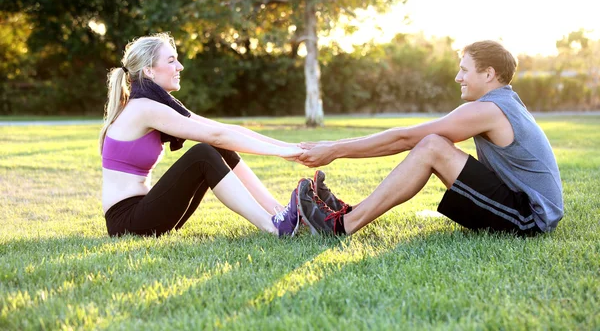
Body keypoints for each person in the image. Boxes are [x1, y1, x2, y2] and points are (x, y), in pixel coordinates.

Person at [295, 40, 563, 236]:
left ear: (489, 74)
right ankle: (349, 213)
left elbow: (404, 139)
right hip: (521, 204)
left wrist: (335, 149)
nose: (458, 77)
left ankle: (342, 226)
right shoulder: (502, 102)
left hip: (531, 218)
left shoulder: (490, 109)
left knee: (432, 146)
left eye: (465, 70)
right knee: (434, 144)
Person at [99, 33, 303, 238]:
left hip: (144, 213)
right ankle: (274, 226)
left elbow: (223, 130)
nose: (180, 67)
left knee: (215, 146)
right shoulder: (144, 108)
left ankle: (277, 211)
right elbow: (217, 134)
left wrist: (291, 147)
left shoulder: (151, 104)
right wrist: (282, 152)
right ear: (149, 71)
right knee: (203, 153)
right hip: (127, 222)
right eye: (171, 61)